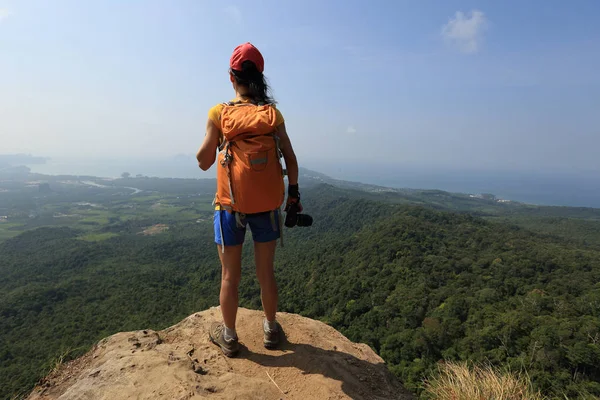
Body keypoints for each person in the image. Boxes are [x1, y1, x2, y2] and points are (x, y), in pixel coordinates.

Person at [196, 42, 301, 357]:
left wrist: (213, 137)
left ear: (232, 78)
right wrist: (293, 194)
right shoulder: (271, 115)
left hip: (229, 207)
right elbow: (292, 161)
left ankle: (228, 336)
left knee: (230, 275)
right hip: (267, 207)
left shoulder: (220, 113)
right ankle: (270, 329)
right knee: (265, 272)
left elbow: (202, 161)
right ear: (260, 77)